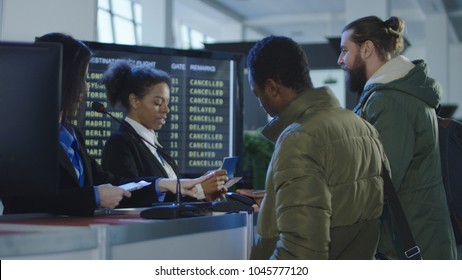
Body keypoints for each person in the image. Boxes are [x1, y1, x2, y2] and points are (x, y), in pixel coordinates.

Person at [1, 33, 226, 217]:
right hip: (30, 239)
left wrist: (162, 185)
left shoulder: (72, 133)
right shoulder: (21, 132)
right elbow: (20, 198)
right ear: (63, 76)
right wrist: (95, 197)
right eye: (82, 78)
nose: (86, 88)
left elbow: (109, 182)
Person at [246, 35, 386, 259]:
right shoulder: (362, 127)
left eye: (257, 93)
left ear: (271, 87)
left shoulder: (299, 139)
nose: (260, 102)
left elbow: (301, 253)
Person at [338, 15, 457, 259]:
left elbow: (378, 185)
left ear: (367, 49)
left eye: (344, 50)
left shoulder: (390, 101)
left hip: (410, 250)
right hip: (415, 244)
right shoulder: (390, 94)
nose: (340, 60)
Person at [100, 60, 227, 202]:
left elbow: (172, 197)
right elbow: (127, 195)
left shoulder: (152, 143)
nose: (166, 110)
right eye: (158, 103)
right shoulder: (120, 143)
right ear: (134, 101)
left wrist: (203, 191)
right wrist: (199, 190)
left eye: (167, 103)